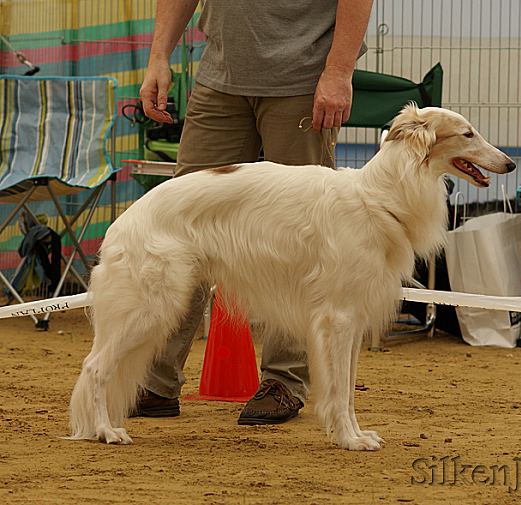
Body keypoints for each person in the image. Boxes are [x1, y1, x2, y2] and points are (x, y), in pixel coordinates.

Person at [134, 0, 374, 425]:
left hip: (303, 81)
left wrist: (339, 71)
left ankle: (284, 381)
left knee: (304, 241)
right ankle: (155, 380)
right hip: (218, 76)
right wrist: (158, 57)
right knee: (180, 229)